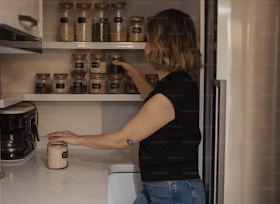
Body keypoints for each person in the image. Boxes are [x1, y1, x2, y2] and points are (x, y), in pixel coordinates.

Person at [47, 8, 206, 204]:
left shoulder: (171, 92)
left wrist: (77, 138)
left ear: (164, 45)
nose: (145, 46)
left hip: (173, 190)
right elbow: (154, 102)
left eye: (149, 40)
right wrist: (134, 73)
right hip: (166, 186)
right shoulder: (178, 83)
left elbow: (121, 140)